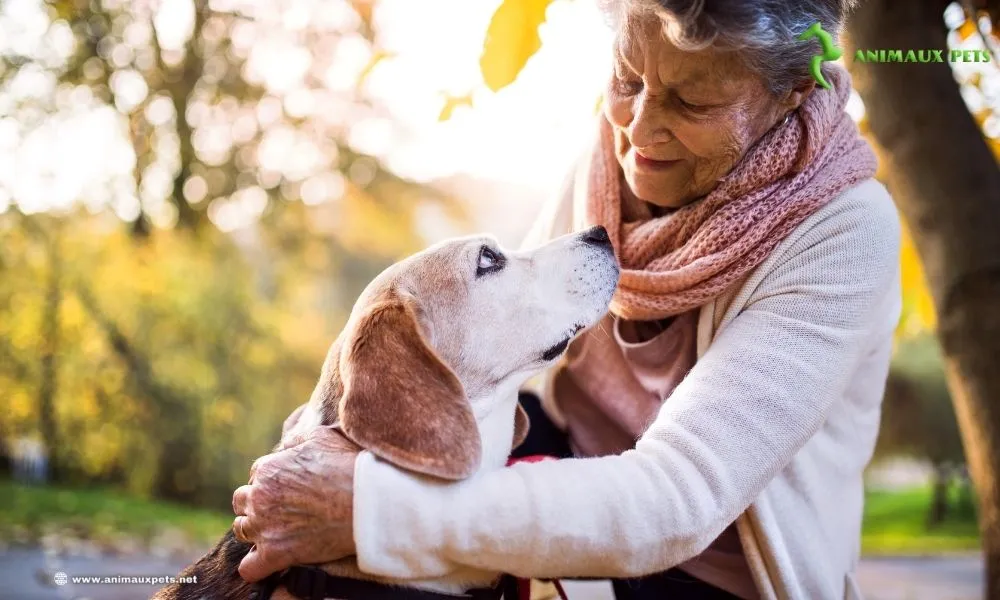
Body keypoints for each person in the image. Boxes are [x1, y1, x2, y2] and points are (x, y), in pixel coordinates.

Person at [230, 1, 902, 598]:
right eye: (627, 78)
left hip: (704, 568)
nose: (638, 129)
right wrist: (313, 456)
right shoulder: (610, 155)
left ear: (790, 93)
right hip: (559, 456)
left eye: (692, 103)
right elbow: (501, 339)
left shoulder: (846, 231)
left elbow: (678, 499)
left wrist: (372, 508)